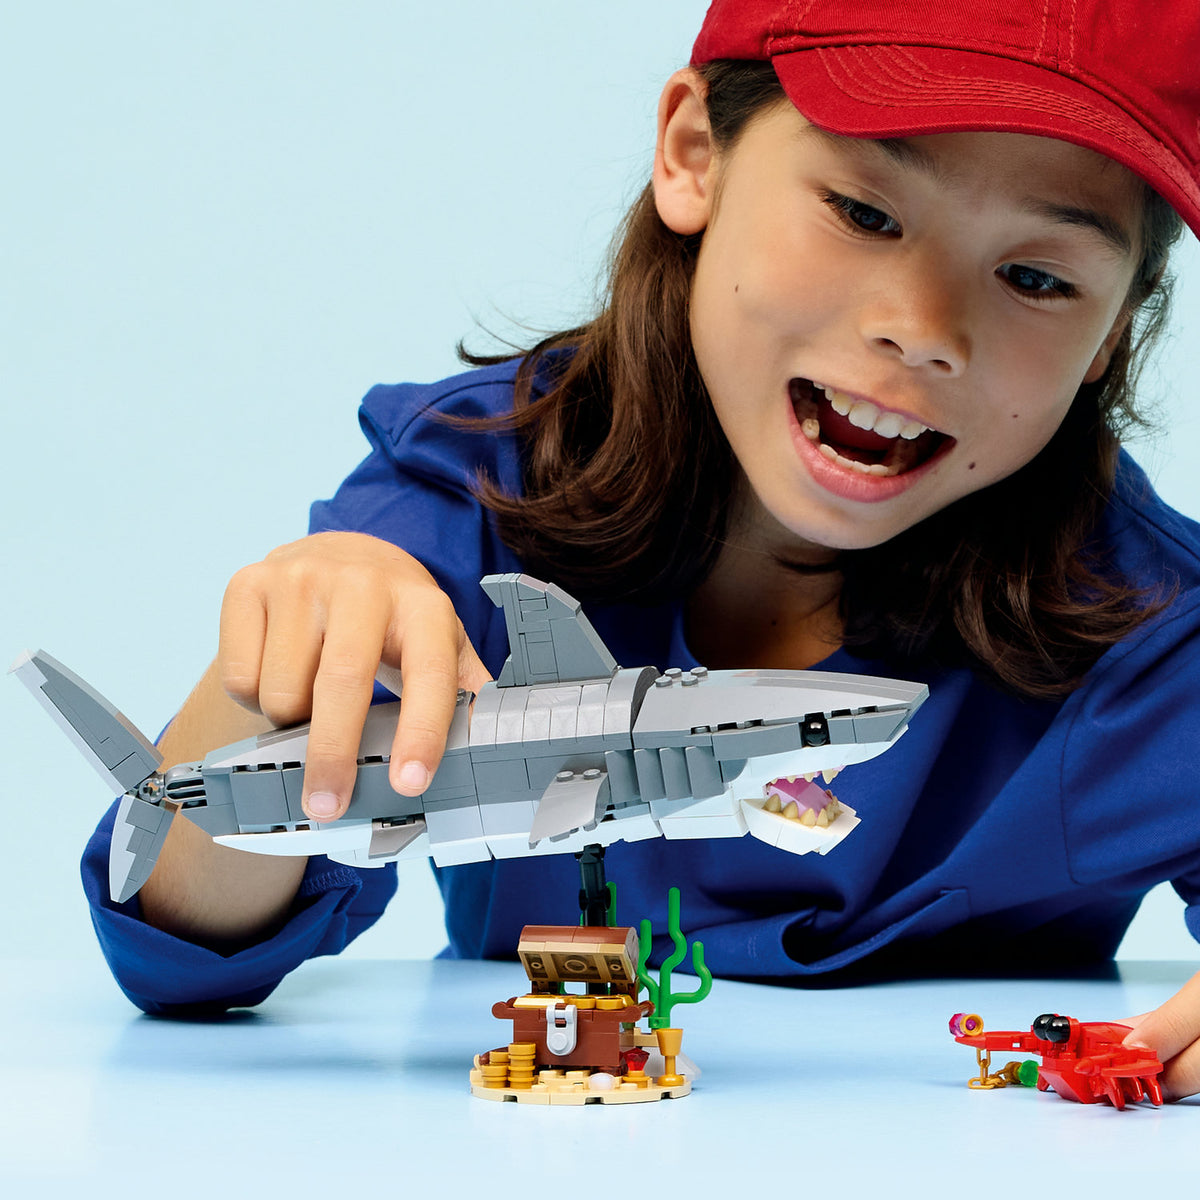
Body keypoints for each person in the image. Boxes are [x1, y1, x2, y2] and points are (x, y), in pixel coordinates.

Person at [83, 0, 1200, 1097]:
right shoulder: (472, 500)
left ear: (1118, 330)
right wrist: (268, 694)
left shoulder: (1154, 637)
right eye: (864, 213)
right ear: (693, 153)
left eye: (1039, 278)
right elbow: (184, 960)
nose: (922, 327)